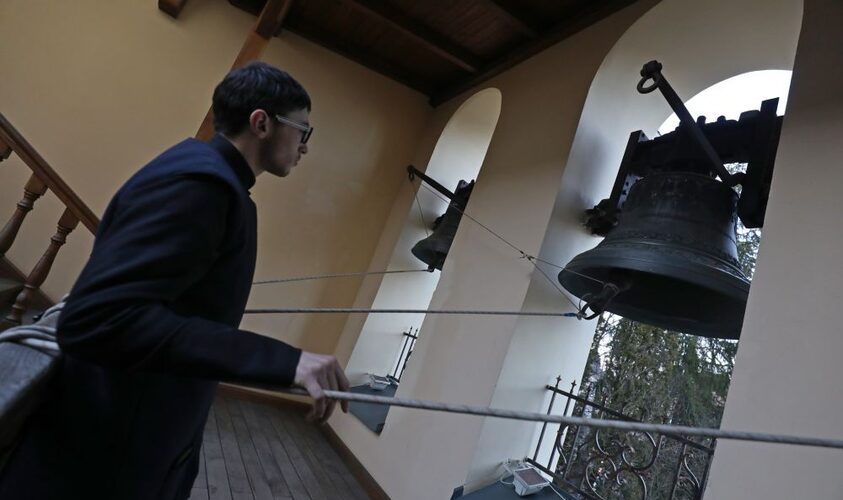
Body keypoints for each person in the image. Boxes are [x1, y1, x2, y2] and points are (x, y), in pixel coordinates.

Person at [0, 61, 349, 500]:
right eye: (302, 131)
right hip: (99, 457)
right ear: (261, 123)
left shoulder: (209, 176)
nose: (305, 146)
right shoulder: (200, 185)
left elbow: (172, 306)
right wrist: (284, 361)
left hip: (132, 438)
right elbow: (99, 317)